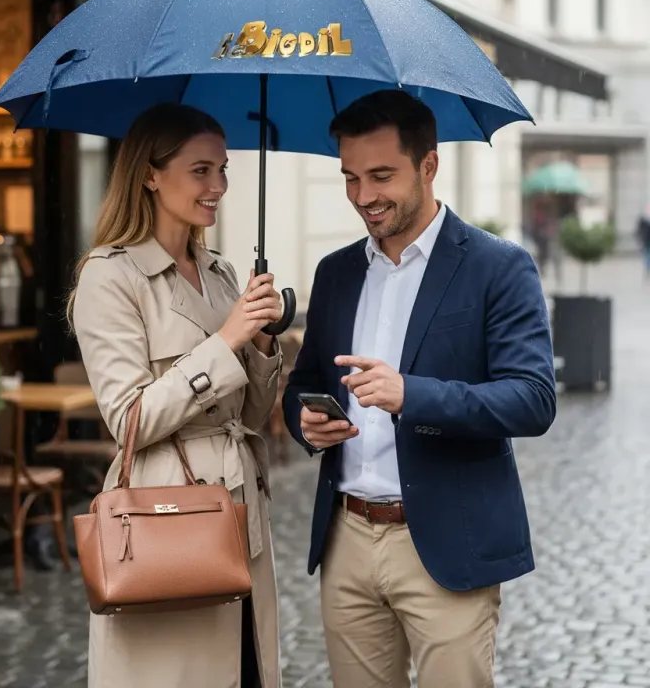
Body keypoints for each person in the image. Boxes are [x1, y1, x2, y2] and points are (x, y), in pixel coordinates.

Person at [282, 90, 556, 688]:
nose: (363, 196)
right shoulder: (335, 272)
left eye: (382, 176)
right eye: (350, 177)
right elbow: (304, 384)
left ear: (429, 165)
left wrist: (413, 394)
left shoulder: (497, 266)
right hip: (346, 539)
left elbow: (533, 399)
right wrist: (304, 421)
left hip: (447, 541)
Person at [70, 103, 284, 688]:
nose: (218, 186)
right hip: (168, 518)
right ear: (149, 174)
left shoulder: (221, 274)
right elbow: (129, 421)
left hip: (241, 511)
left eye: (223, 169)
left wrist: (261, 343)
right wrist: (226, 340)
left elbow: (250, 415)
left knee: (246, 668)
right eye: (200, 170)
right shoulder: (110, 276)